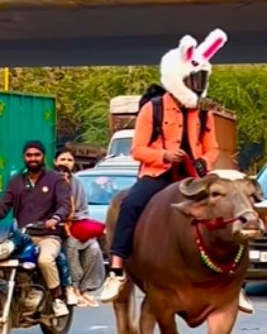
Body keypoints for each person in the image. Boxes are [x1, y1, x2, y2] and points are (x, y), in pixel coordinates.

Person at [97, 29, 251, 314]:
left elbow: (212, 147)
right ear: (177, 78)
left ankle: (235, 284)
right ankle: (117, 271)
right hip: (157, 176)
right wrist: (164, 154)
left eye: (201, 80)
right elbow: (137, 150)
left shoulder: (204, 112)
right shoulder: (152, 109)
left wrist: (204, 160)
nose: (197, 86)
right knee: (130, 204)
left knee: (230, 208)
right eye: (193, 79)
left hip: (193, 177)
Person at [0, 140, 72, 316]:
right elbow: (3, 205)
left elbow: (65, 205)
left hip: (48, 236)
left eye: (37, 155)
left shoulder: (55, 179)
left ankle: (57, 298)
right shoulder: (16, 181)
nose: (33, 158)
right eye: (29, 155)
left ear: (43, 157)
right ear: (24, 157)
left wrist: (55, 218)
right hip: (23, 235)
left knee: (44, 260)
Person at [56, 149, 104, 308]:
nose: (65, 163)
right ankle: (74, 286)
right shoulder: (49, 181)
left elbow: (82, 209)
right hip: (56, 228)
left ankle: (86, 289)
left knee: (94, 247)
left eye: (69, 160)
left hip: (76, 224)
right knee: (70, 245)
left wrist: (74, 218)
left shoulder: (77, 183)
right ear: (56, 162)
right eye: (62, 159)